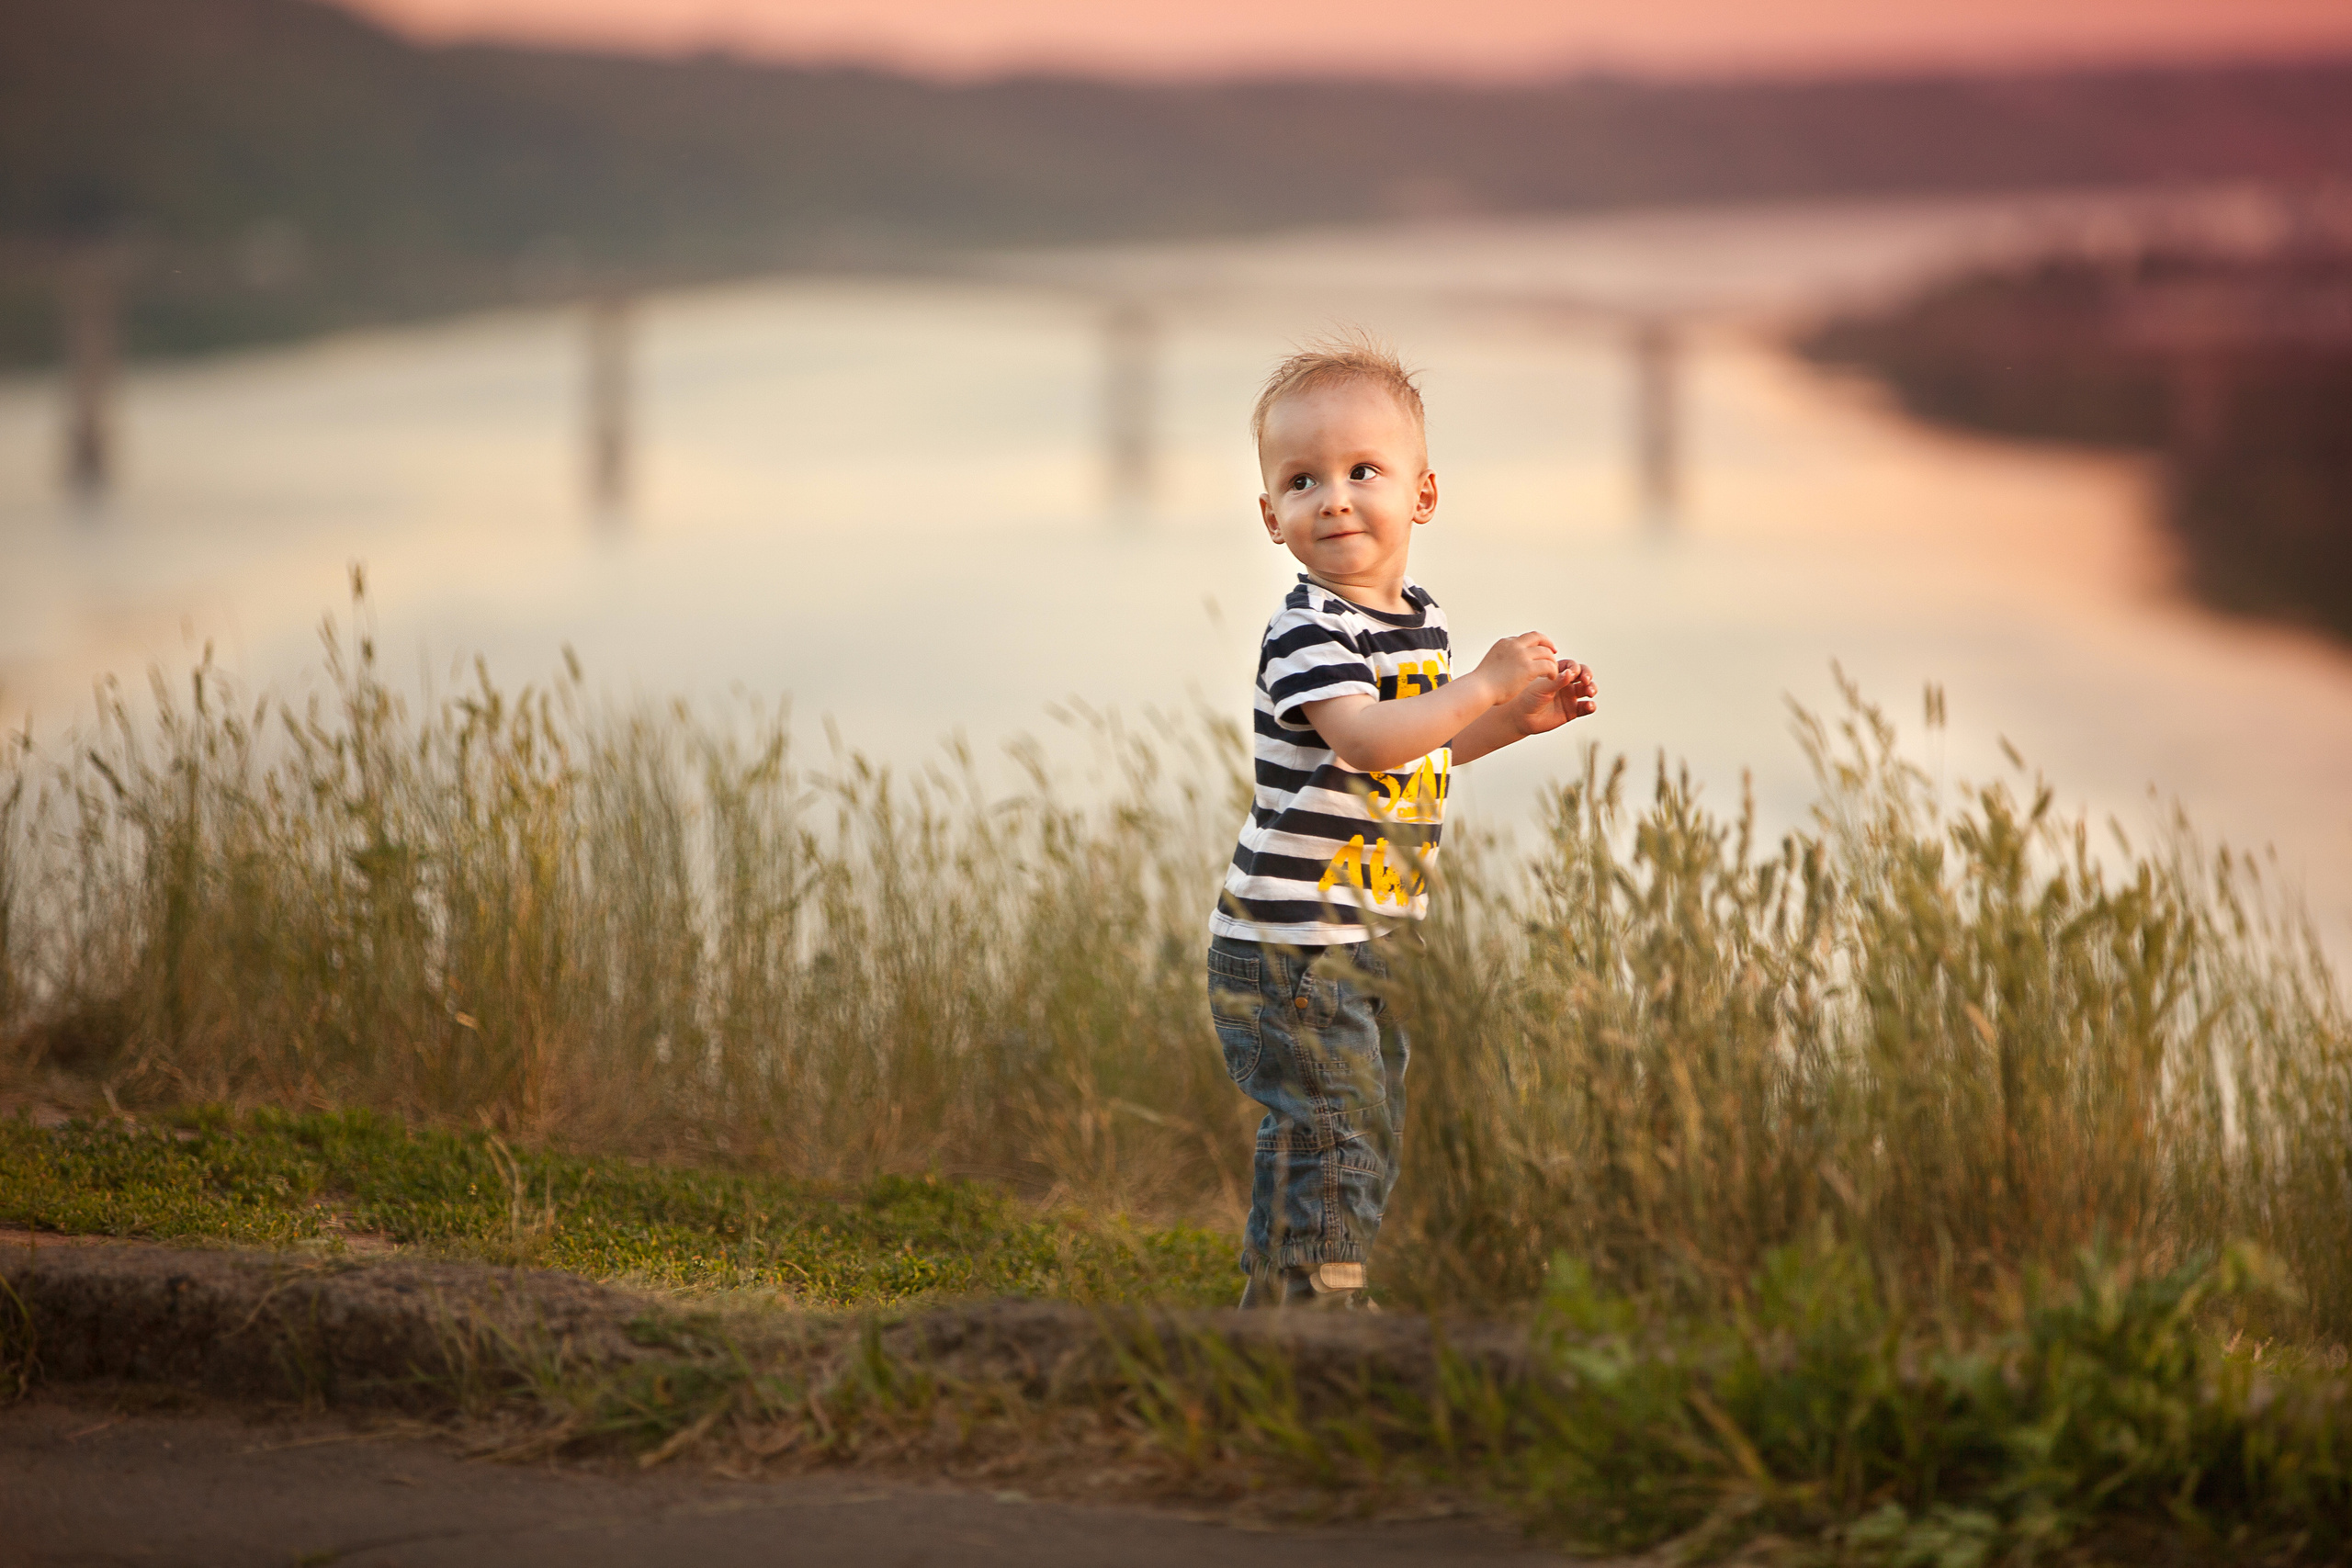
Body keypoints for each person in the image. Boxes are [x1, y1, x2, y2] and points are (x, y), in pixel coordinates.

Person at [1208, 337, 1599, 1309]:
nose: (1333, 498)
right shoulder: (1309, 628)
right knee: (1339, 1127)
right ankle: (1318, 1309)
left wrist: (1510, 717)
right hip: (1294, 948)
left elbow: (1419, 749)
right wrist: (1479, 684)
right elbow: (1370, 744)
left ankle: (1289, 1304)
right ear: (1271, 517)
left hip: (1366, 944)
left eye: (1361, 471)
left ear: (1422, 496)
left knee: (1348, 1124)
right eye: (1302, 481)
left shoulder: (1413, 622)